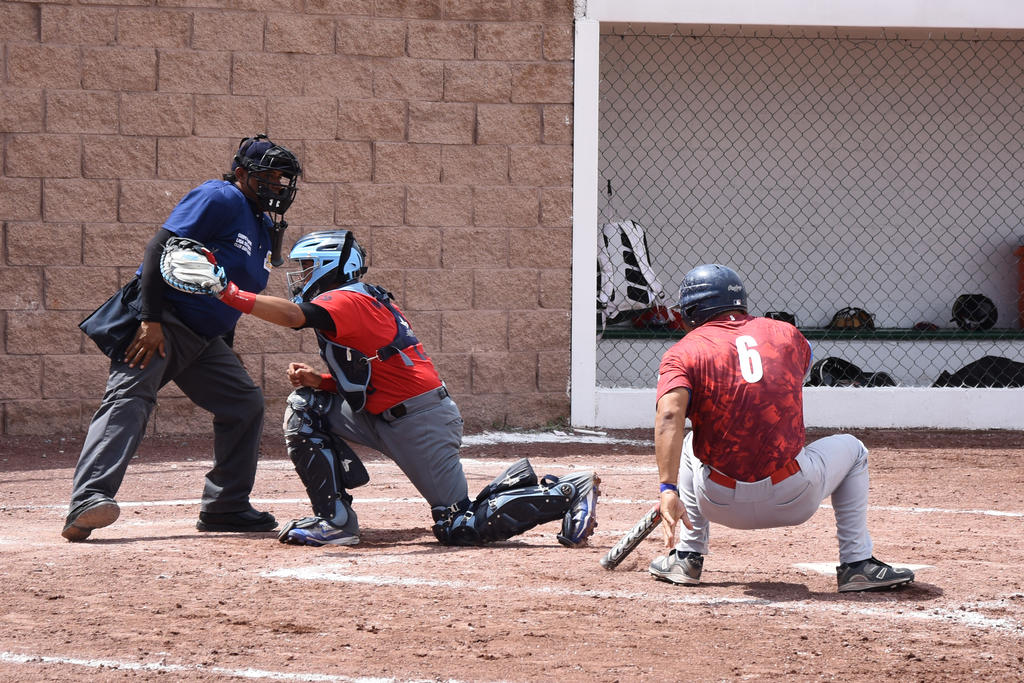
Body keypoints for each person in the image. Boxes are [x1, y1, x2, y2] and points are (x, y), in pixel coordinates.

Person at [160, 229, 600, 548]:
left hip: (418, 420)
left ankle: (564, 492)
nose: (301, 276)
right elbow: (378, 369)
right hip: (380, 411)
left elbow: (295, 317)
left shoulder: (349, 298)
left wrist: (228, 293)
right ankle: (334, 520)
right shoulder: (353, 299)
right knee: (305, 404)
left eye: (309, 266)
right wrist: (323, 381)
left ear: (334, 265)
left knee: (458, 526)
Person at [63, 135, 302, 542]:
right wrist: (149, 319)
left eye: (282, 179)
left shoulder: (261, 224)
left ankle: (225, 507)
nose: (277, 186)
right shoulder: (220, 196)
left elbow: (228, 289)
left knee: (244, 403)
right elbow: (160, 247)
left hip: (205, 338)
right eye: (269, 177)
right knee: (129, 400)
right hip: (162, 323)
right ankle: (88, 500)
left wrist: (225, 346)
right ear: (242, 174)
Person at [648, 264, 914, 593]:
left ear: (692, 310)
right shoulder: (786, 333)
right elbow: (784, 375)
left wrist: (667, 490)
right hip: (794, 495)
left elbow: (671, 416)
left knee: (689, 443)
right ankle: (857, 563)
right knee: (853, 449)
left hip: (717, 500)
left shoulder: (682, 352)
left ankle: (686, 556)